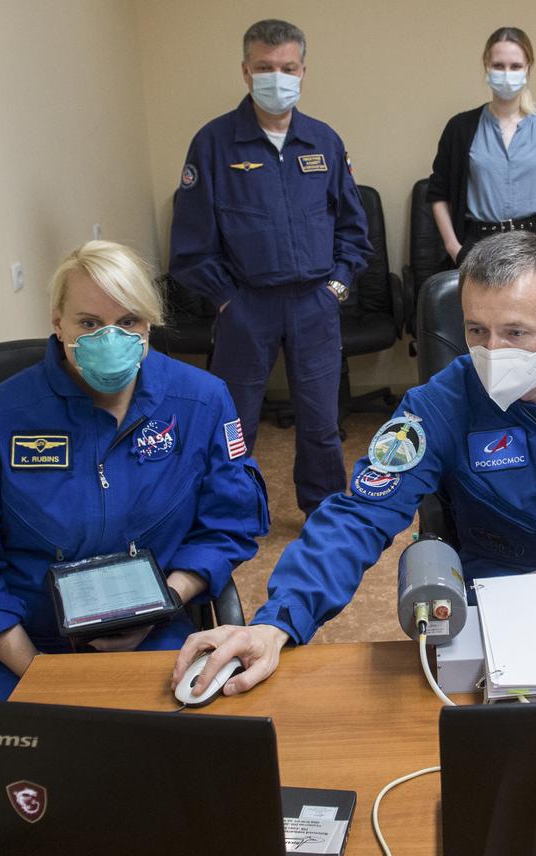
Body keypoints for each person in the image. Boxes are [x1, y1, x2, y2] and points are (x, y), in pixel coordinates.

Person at [173, 232, 536, 696]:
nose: (492, 351)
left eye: (515, 333)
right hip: (502, 580)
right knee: (478, 711)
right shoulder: (439, 404)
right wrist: (277, 622)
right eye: (475, 331)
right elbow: (360, 515)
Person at [0, 241, 269, 700]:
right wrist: (39, 674)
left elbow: (229, 522)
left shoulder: (202, 401)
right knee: (2, 757)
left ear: (149, 323)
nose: (110, 339)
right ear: (57, 321)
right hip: (16, 641)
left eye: (128, 322)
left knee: (177, 752)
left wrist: (164, 602)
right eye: (89, 323)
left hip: (155, 626)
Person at [170, 18, 371, 516]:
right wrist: (225, 300)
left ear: (303, 72)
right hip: (246, 304)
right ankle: (227, 514)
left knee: (322, 423)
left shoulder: (324, 141)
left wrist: (337, 290)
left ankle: (323, 511)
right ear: (245, 71)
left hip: (314, 303)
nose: (276, 77)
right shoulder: (213, 144)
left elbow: (354, 232)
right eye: (264, 67)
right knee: (233, 424)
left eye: (287, 68)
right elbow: (191, 246)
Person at [428, 26, 536, 267]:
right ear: (486, 65)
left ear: (528, 68)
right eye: (499, 65)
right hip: (479, 246)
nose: (507, 73)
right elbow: (438, 193)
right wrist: (454, 247)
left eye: (515, 66)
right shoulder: (460, 128)